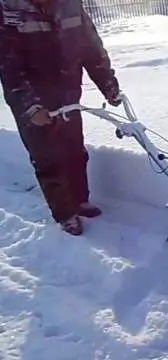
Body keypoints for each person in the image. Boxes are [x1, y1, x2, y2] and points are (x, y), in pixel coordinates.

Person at [0, 0, 122, 236]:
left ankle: (80, 200)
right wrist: (31, 107)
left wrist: (108, 84)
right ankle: (65, 214)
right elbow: (9, 66)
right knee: (48, 160)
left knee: (74, 151)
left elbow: (91, 48)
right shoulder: (9, 10)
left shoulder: (70, 5)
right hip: (32, 101)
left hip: (67, 93)